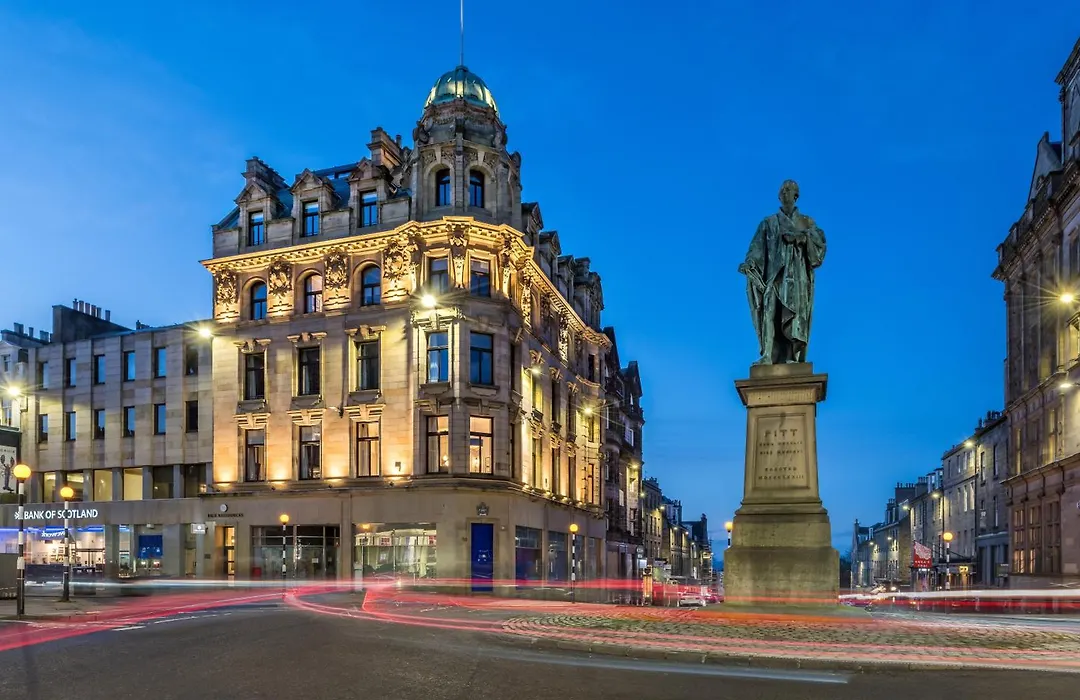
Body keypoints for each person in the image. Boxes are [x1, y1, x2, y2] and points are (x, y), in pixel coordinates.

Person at [738, 180, 826, 364]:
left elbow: (819, 248)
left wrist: (801, 238)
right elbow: (756, 248)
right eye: (782, 191)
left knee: (794, 315)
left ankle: (791, 356)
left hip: (797, 278)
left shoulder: (806, 222)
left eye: (788, 190)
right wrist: (750, 263)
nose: (784, 193)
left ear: (796, 195)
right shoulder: (768, 223)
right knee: (769, 311)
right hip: (774, 276)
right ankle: (768, 354)